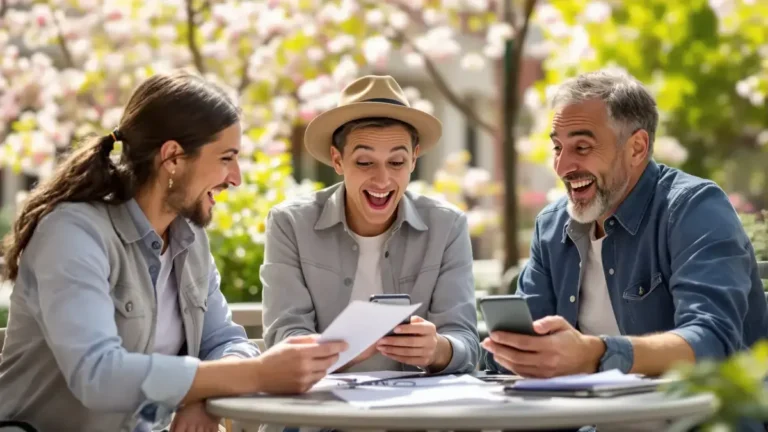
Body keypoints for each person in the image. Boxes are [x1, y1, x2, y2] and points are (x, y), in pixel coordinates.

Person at [0, 71, 347, 432]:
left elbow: (225, 341)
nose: (236, 177)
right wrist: (256, 374)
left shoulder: (189, 239)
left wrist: (201, 397)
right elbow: (98, 375)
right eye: (226, 158)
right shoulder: (73, 233)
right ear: (173, 158)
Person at [482, 69, 768, 380]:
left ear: (636, 148)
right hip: (588, 419)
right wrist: (512, 350)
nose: (562, 166)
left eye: (582, 147)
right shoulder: (551, 228)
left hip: (692, 419)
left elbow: (713, 340)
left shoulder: (694, 208)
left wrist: (595, 354)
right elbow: (510, 351)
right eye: (557, 148)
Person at [261, 75, 479, 374]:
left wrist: (438, 349)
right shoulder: (290, 224)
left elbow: (466, 342)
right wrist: (346, 348)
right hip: (320, 413)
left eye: (397, 162)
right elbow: (284, 338)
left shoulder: (447, 226)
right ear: (337, 160)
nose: (382, 179)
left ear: (414, 159)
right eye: (365, 163)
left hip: (412, 416)